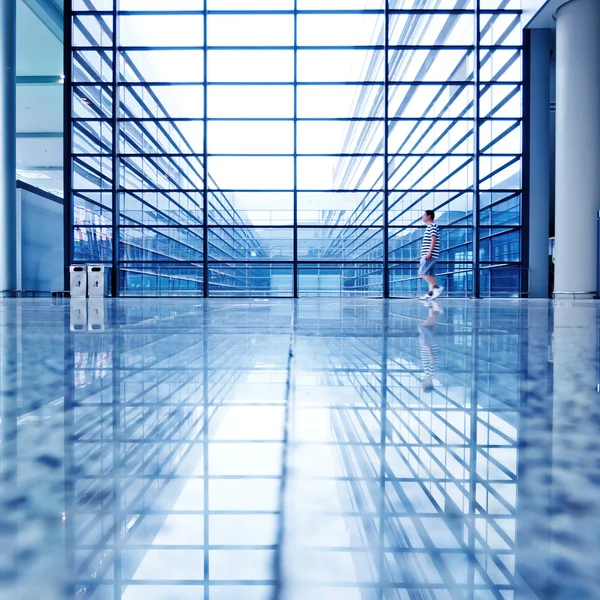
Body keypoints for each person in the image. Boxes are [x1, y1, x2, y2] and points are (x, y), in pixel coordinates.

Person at [419, 210, 443, 300]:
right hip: (431, 254)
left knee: (422, 273)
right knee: (431, 275)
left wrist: (429, 252)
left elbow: (434, 239)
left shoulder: (432, 226)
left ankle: (436, 287)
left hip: (429, 255)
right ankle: (430, 293)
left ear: (429, 216)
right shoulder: (430, 227)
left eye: (424, 215)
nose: (422, 217)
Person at [419, 300, 442, 392]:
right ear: (428, 384)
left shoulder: (429, 374)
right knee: (421, 327)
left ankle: (431, 306)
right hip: (428, 345)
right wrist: (427, 346)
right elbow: (432, 360)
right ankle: (436, 312)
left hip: (428, 345)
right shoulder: (431, 374)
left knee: (430, 326)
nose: (422, 383)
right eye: (423, 385)